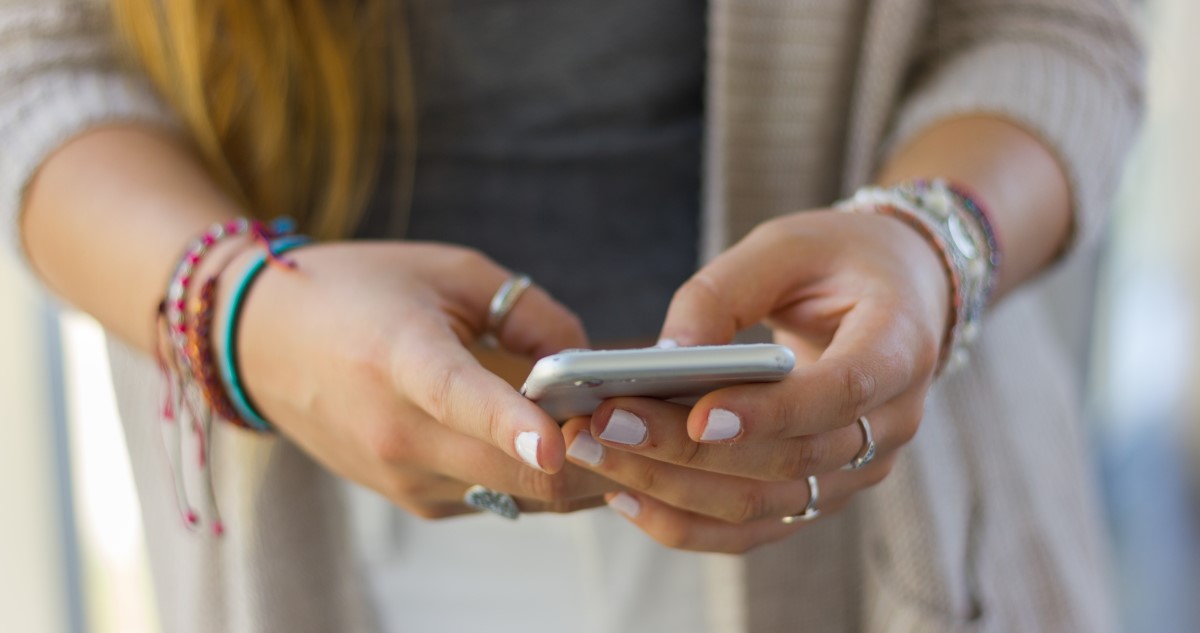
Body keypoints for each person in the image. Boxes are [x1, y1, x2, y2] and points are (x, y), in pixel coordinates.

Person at [0, 0, 1142, 631]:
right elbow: (40, 68)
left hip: (877, 543)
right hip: (329, 530)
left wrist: (928, 244)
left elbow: (1060, 28)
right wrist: (248, 320)